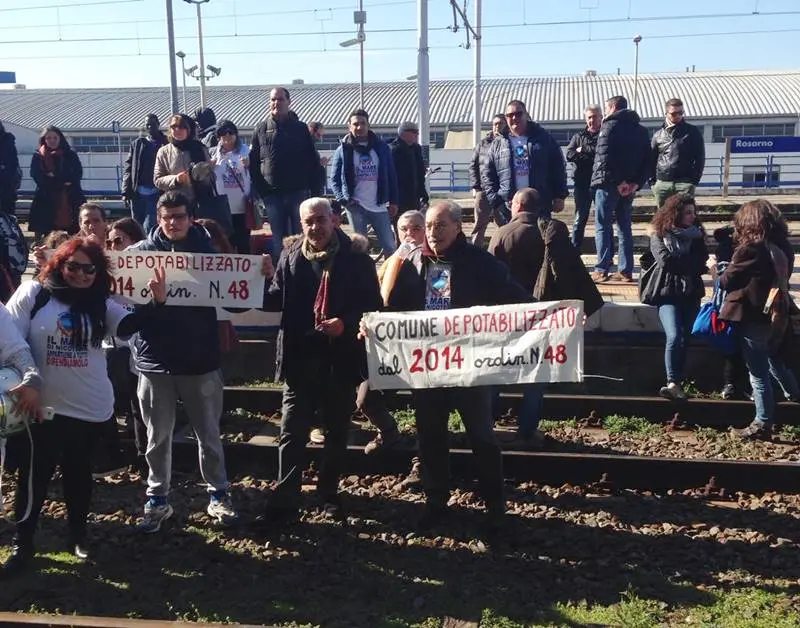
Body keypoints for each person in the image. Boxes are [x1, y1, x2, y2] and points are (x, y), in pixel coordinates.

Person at [2, 238, 166, 578]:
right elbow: (12, 342)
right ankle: (23, 542)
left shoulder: (101, 302)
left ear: (98, 272)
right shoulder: (35, 294)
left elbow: (128, 326)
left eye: (88, 268)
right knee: (33, 477)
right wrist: (24, 383)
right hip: (40, 405)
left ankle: (77, 536)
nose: (80, 274)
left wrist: (157, 303)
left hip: (87, 405)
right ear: (59, 264)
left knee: (79, 475)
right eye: (72, 266)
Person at [381, 200, 531, 530]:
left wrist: (549, 317)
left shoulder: (481, 263)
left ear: (458, 227)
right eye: (429, 227)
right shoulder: (412, 263)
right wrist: (374, 323)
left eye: (439, 226)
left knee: (481, 435)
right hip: (428, 368)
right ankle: (436, 502)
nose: (432, 233)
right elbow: (393, 305)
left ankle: (494, 504)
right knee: (430, 435)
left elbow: (517, 301)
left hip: (471, 370)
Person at [258, 197, 382, 523]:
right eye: (308, 222)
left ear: (334, 219)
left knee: (336, 432)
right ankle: (286, 498)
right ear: (301, 225)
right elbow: (274, 302)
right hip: (300, 361)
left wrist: (345, 322)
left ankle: (328, 494)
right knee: (291, 433)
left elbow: (373, 307)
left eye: (320, 220)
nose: (315, 227)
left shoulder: (357, 260)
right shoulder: (290, 256)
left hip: (339, 360)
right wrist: (261, 279)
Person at [128, 191, 239, 533]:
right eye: (167, 217)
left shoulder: (211, 254)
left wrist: (257, 275)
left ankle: (219, 494)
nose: (173, 223)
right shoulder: (138, 256)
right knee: (156, 437)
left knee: (209, 433)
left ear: (191, 217)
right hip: (155, 360)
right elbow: (125, 307)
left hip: (199, 358)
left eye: (179, 216)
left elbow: (235, 304)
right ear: (158, 219)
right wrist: (154, 303)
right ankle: (157, 498)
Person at [488, 188, 603, 444]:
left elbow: (491, 276)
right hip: (544, 316)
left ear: (517, 205)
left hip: (509, 316)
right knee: (536, 373)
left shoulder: (502, 233)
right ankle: (528, 429)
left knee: (496, 370)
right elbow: (571, 273)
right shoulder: (554, 232)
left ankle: (487, 423)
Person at [718, 200, 794, 439]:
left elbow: (727, 281)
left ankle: (762, 423)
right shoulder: (782, 245)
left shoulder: (751, 248)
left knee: (758, 373)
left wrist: (715, 270)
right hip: (778, 313)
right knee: (774, 359)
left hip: (754, 315)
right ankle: (794, 396)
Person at [642, 194, 708, 400]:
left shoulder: (697, 236)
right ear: (675, 213)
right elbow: (665, 261)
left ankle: (678, 382)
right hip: (666, 292)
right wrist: (692, 266)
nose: (692, 216)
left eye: (693, 212)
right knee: (674, 335)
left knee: (685, 338)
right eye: (687, 212)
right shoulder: (659, 234)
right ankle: (672, 381)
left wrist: (691, 265)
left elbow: (702, 260)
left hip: (691, 293)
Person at [249, 87, 322, 261]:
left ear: (289, 102)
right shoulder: (260, 129)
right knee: (278, 238)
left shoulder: (300, 128)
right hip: (272, 195)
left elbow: (312, 161)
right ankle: (279, 275)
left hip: (298, 192)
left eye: (280, 99)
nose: (276, 103)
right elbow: (253, 163)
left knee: (301, 234)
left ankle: (302, 270)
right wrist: (262, 191)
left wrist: (315, 191)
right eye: (273, 99)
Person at [590, 96, 651, 284]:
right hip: (629, 188)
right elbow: (647, 160)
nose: (606, 113)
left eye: (607, 108)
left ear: (613, 107)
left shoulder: (608, 127)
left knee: (602, 226)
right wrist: (635, 184)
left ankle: (602, 269)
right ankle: (625, 271)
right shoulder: (641, 130)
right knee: (625, 227)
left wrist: (618, 182)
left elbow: (604, 157)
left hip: (609, 185)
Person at [104, 218, 148, 476]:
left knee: (140, 407)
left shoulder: (149, 269)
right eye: (109, 242)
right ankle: (112, 456)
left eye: (119, 241)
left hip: (142, 349)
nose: (113, 246)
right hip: (114, 348)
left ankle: (145, 461)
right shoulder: (100, 271)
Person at [481, 99, 568, 221]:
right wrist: (496, 200)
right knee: (512, 239)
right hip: (508, 207)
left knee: (539, 239)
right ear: (506, 119)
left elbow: (558, 167)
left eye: (518, 113)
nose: (514, 117)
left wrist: (560, 196)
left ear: (526, 115)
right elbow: (487, 174)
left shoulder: (544, 139)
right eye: (510, 115)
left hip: (540, 204)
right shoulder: (498, 144)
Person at [330, 108, 399, 259]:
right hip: (356, 206)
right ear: (349, 126)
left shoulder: (381, 148)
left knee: (389, 246)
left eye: (363, 123)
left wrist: (393, 201)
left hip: (379, 205)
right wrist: (344, 200)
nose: (359, 127)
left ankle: (390, 281)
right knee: (359, 249)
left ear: (369, 125)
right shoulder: (343, 150)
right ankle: (363, 279)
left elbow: (391, 176)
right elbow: (334, 179)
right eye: (355, 124)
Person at [29, 126, 86, 241]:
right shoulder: (38, 156)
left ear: (60, 138)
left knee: (74, 229)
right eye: (48, 138)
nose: (52, 140)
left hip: (70, 197)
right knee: (47, 230)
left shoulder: (70, 155)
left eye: (55, 137)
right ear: (44, 139)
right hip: (46, 199)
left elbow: (76, 174)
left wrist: (53, 177)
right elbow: (38, 176)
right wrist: (61, 181)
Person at [650, 98, 705, 207]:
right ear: (666, 113)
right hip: (662, 183)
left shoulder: (692, 132)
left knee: (684, 216)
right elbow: (651, 159)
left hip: (684, 182)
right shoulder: (658, 135)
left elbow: (700, 158)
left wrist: (693, 182)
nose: (678, 116)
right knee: (663, 217)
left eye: (681, 112)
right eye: (674, 113)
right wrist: (653, 182)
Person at [154, 114, 215, 211]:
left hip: (200, 203)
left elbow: (212, 179)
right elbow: (158, 180)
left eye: (182, 127)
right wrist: (175, 179)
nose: (177, 130)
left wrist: (202, 173)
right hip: (175, 204)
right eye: (173, 126)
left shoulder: (200, 148)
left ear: (189, 129)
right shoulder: (163, 152)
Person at [210, 119, 252, 253]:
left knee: (243, 243)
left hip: (242, 205)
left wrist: (249, 164)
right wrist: (208, 167)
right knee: (226, 244)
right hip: (222, 207)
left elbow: (256, 173)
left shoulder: (246, 150)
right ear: (218, 136)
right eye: (223, 133)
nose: (227, 136)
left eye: (231, 132)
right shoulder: (212, 153)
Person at [122, 114, 167, 235]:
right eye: (147, 124)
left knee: (150, 225)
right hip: (138, 193)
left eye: (152, 124)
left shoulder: (166, 143)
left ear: (158, 124)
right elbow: (128, 167)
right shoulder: (137, 144)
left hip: (157, 192)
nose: (150, 126)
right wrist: (125, 191)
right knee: (136, 226)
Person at [468, 114, 507, 246]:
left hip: (502, 191)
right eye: (495, 123)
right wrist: (476, 187)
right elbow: (473, 166)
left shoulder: (509, 142)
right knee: (479, 225)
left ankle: (504, 250)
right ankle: (474, 253)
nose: (497, 126)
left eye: (501, 123)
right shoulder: (482, 144)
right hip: (484, 191)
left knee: (504, 224)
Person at [566, 105, 601, 248]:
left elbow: (601, 152)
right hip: (581, 183)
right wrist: (583, 153)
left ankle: (607, 255)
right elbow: (569, 154)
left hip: (600, 183)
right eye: (589, 117)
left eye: (594, 116)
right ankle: (575, 250)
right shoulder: (578, 137)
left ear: (601, 117)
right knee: (579, 219)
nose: (592, 120)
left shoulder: (605, 135)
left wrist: (583, 150)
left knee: (602, 221)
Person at [390, 121, 429, 220]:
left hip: (414, 196)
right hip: (400, 197)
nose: (417, 134)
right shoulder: (394, 150)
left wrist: (423, 194)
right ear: (403, 133)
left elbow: (420, 174)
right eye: (414, 132)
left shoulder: (416, 149)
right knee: (401, 223)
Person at [0, 121, 21, 216]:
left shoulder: (7, 141)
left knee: (6, 221)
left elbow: (12, 166)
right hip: (7, 191)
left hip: (5, 192)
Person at [308, 121, 328, 197]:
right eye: (318, 135)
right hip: (310, 190)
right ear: (311, 131)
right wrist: (319, 163)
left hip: (316, 188)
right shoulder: (304, 146)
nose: (320, 139)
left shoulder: (312, 147)